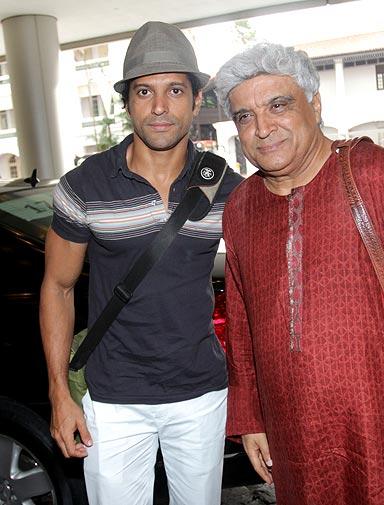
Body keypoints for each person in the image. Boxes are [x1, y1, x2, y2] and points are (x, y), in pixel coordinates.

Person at [214, 43, 384, 505]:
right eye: (245, 116)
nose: (263, 128)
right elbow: (243, 329)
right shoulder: (242, 208)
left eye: (278, 105)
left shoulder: (379, 177)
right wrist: (251, 418)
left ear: (315, 104)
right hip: (297, 446)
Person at [40, 21, 242, 505]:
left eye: (175, 90)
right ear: (127, 102)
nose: (158, 107)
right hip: (112, 399)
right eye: (144, 91)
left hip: (200, 395)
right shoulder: (85, 185)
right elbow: (57, 288)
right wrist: (59, 394)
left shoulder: (227, 187)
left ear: (196, 101)